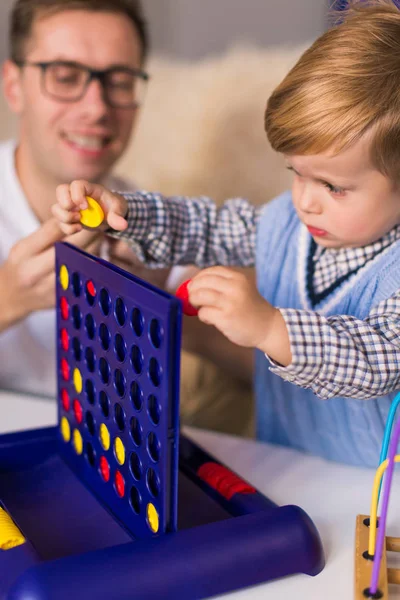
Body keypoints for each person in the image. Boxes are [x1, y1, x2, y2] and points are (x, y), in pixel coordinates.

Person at [53, 1, 400, 467]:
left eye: (334, 186)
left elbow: (379, 360)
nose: (306, 200)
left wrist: (271, 328)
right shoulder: (287, 222)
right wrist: (127, 211)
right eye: (296, 173)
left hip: (378, 492)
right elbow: (209, 227)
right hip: (288, 461)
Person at [0, 0, 254, 438]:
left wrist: (165, 311)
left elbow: (269, 371)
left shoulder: (150, 223)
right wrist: (8, 298)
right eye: (65, 77)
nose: (97, 107)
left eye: (119, 82)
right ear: (13, 85)